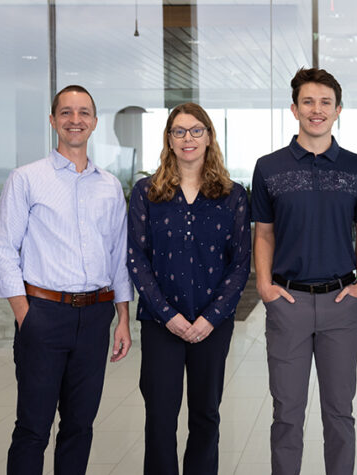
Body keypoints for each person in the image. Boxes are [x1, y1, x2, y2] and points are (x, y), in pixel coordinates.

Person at [0, 85, 133, 474]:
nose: (76, 120)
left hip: (95, 317)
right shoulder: (26, 179)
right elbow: (5, 250)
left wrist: (122, 318)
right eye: (67, 113)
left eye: (84, 113)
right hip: (44, 315)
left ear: (94, 123)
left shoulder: (108, 186)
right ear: (53, 121)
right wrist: (26, 316)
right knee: (33, 428)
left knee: (79, 426)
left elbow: (117, 255)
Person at [251, 67, 357, 475]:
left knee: (340, 413)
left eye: (325, 102)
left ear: (338, 110)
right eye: (308, 102)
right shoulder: (268, 167)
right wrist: (266, 288)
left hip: (342, 304)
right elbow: (264, 234)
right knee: (287, 413)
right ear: (294, 109)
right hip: (288, 303)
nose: (316, 110)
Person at [126, 102, 251, 474]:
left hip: (212, 325)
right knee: (160, 418)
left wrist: (210, 317)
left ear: (210, 137)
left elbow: (241, 263)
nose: (188, 139)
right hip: (161, 324)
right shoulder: (146, 192)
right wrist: (169, 316)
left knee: (206, 415)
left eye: (196, 130)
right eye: (179, 131)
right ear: (168, 139)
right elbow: (137, 260)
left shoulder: (232, 196)